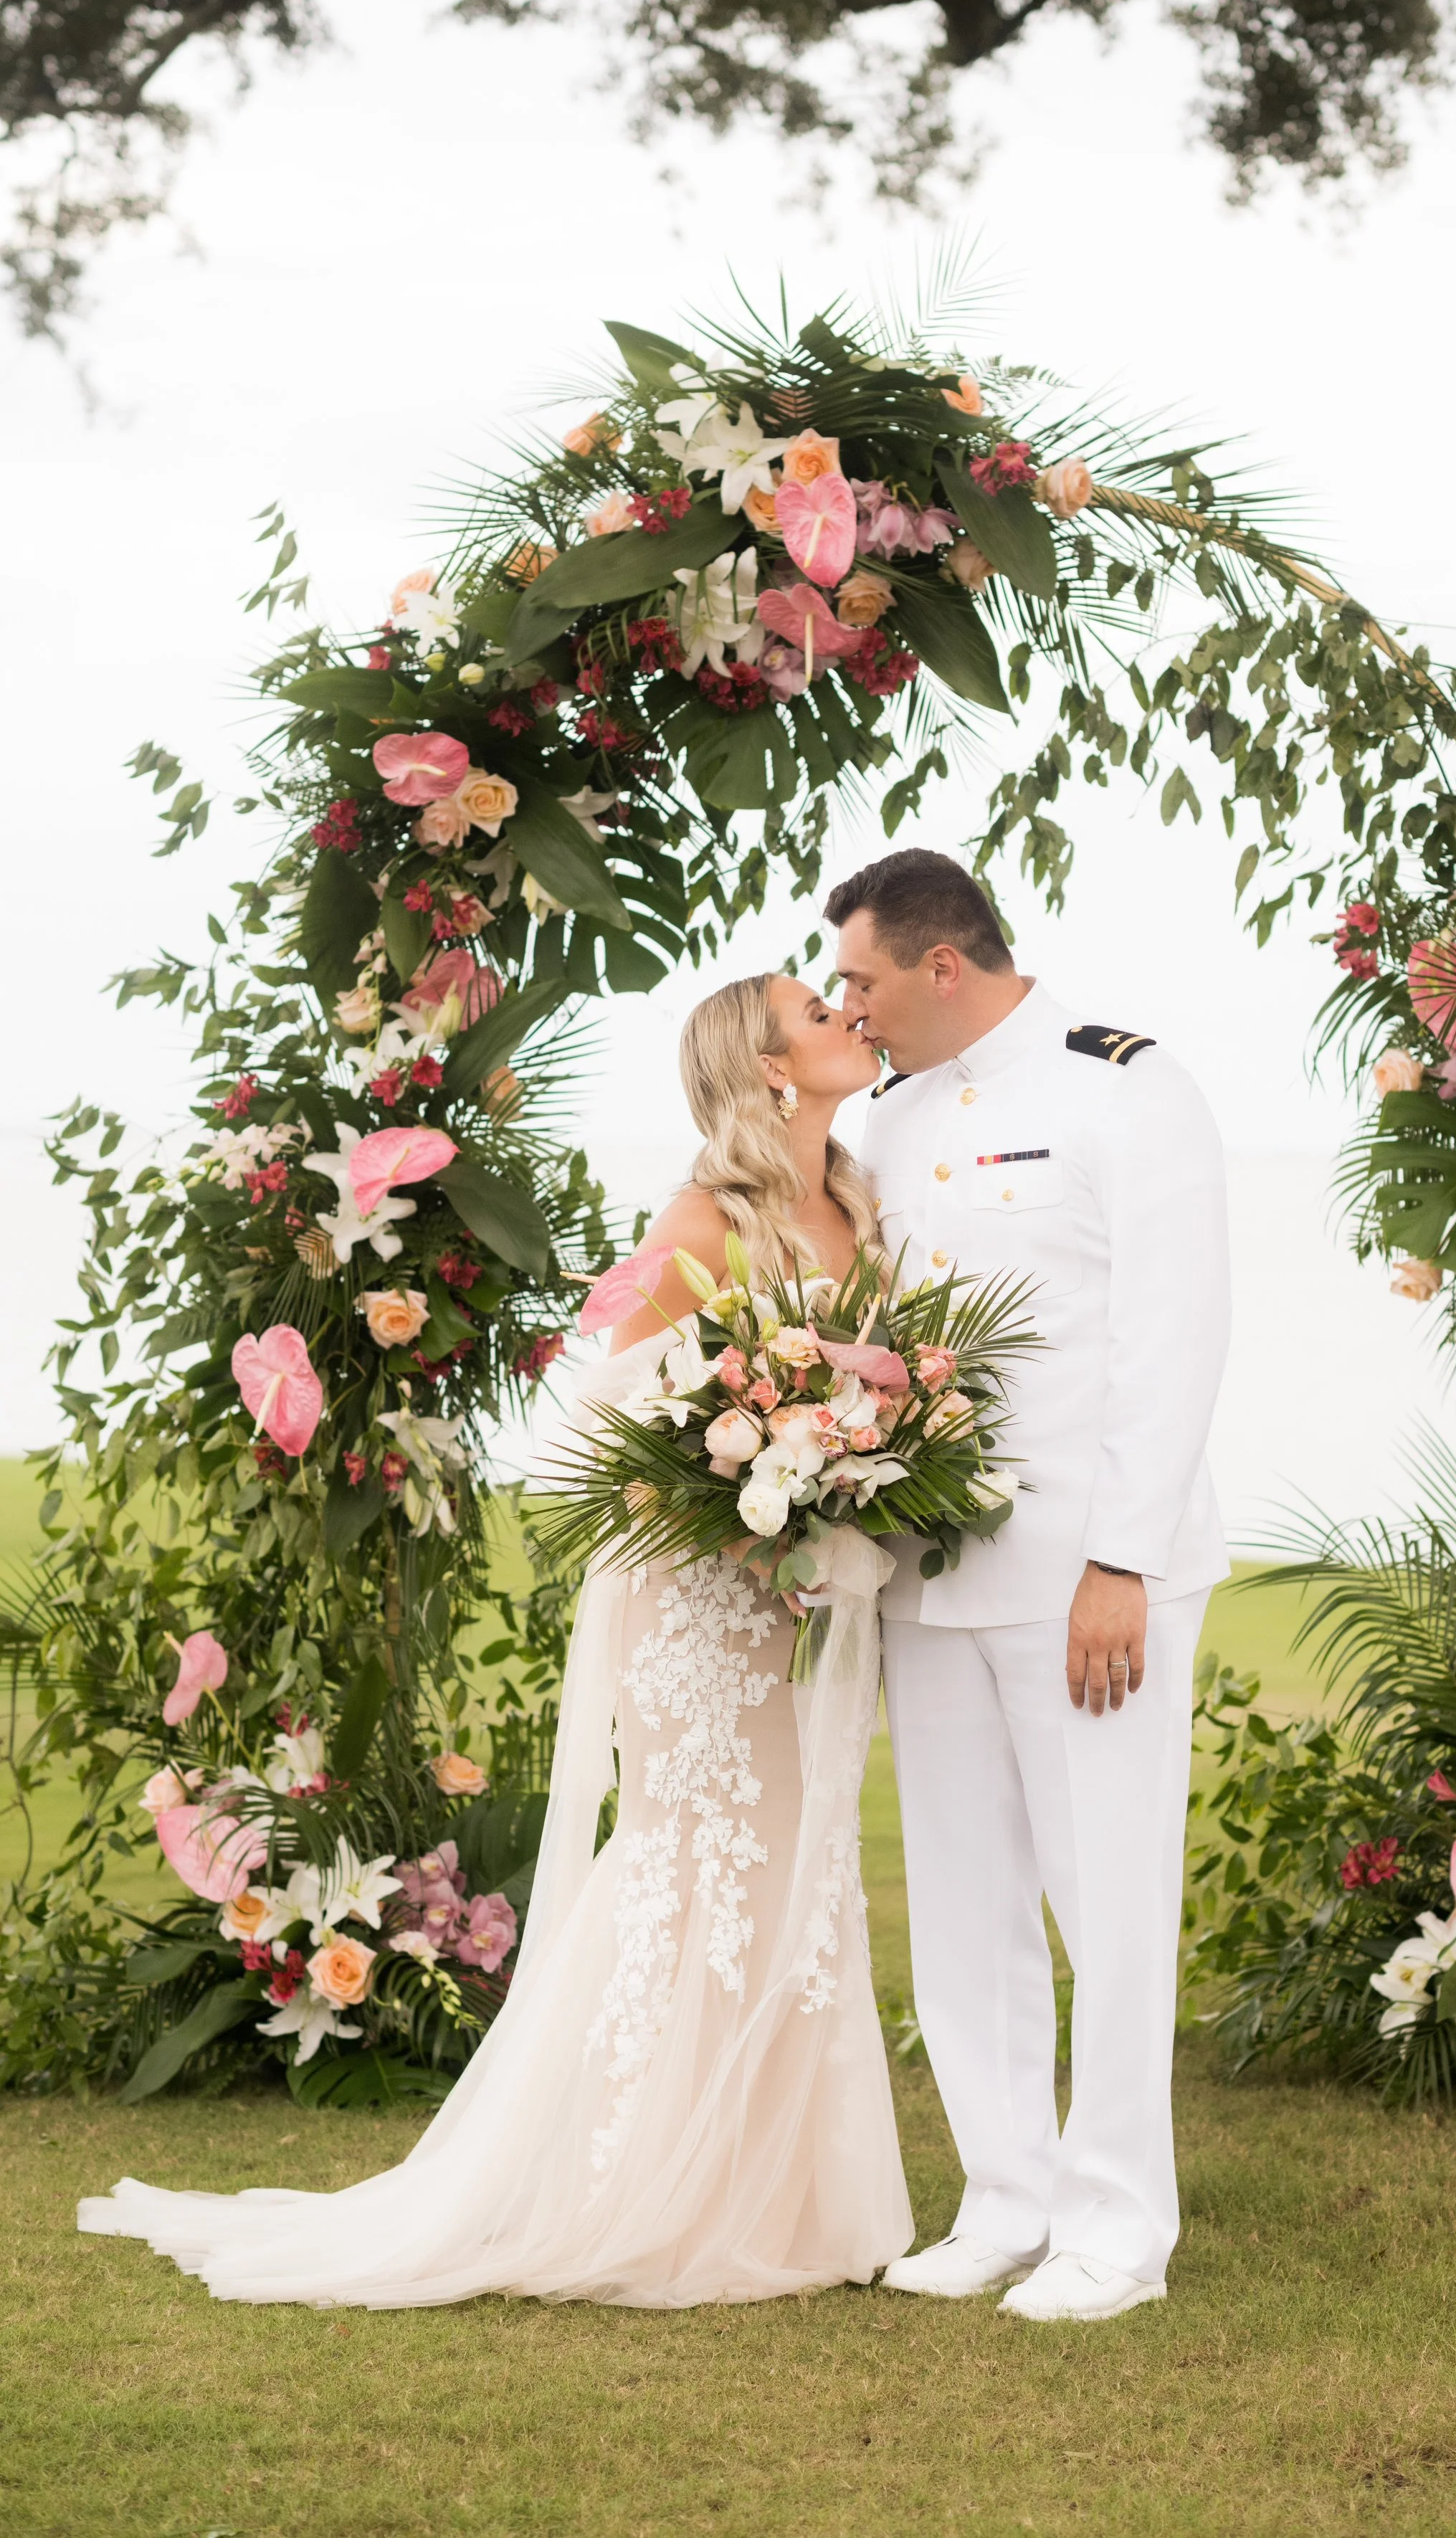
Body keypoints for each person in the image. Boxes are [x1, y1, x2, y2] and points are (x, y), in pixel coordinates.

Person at [77, 974, 914, 2308]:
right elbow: (605, 1406)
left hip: (784, 1593)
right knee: (691, 1858)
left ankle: (782, 2193)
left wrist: (830, 1472)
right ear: (765, 1066)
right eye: (821, 1008)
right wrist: (745, 1460)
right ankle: (639, 2186)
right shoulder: (704, 1216)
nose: (848, 1019)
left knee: (791, 1861)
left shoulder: (859, 1205)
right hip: (691, 1599)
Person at [827, 847, 1230, 2324]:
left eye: (859, 979)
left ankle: (1117, 2231)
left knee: (1105, 1899)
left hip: (1084, 1575)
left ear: (943, 966)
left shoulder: (1124, 1090)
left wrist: (1121, 1559)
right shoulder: (887, 1115)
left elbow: (1169, 1340)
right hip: (934, 1578)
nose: (841, 1005)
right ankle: (1004, 2197)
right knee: (961, 1901)